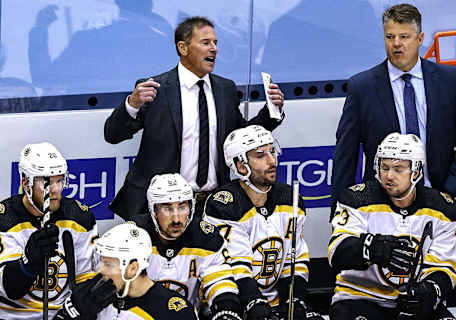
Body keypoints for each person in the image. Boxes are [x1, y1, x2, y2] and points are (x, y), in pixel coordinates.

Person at [104, 16, 286, 220]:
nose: (214, 49)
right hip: (160, 208)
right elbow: (113, 134)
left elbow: (241, 138)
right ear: (183, 48)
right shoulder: (156, 89)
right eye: (206, 42)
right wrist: (132, 104)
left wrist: (272, 111)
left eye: (216, 43)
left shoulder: (225, 89)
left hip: (212, 206)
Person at [331, 3, 456, 220]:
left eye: (404, 36)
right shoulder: (362, 87)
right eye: (390, 37)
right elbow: (346, 154)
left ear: (419, 39)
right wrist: (340, 211)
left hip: (439, 205)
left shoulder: (448, 80)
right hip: (380, 209)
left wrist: (450, 192)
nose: (396, 44)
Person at [328, 133, 456, 320]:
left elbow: (445, 267)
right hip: (360, 298)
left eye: (398, 169)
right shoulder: (357, 199)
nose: (389, 176)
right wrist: (372, 248)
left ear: (416, 171)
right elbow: (336, 252)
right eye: (385, 167)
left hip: (410, 302)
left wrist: (428, 291)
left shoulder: (442, 210)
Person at [204, 125, 323, 320]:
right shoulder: (224, 204)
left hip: (275, 303)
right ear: (241, 166)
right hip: (235, 303)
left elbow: (295, 259)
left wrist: (294, 299)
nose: (272, 161)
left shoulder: (289, 198)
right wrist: (254, 302)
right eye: (260, 155)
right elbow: (236, 265)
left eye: (272, 152)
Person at [0, 142, 97, 319]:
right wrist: (27, 263)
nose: (55, 189)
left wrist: (71, 312)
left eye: (59, 181)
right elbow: (8, 290)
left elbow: (87, 280)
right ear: (25, 183)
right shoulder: (5, 220)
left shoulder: (79, 218)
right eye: (46, 182)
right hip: (12, 316)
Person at [133, 173, 243, 320]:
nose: (177, 219)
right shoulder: (133, 237)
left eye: (182, 207)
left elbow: (219, 281)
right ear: (154, 210)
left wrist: (227, 309)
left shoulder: (205, 237)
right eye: (167, 208)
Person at [54, 222, 197, 319]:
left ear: (132, 268)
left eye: (108, 264)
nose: (100, 269)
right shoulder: (92, 294)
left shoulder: (174, 312)